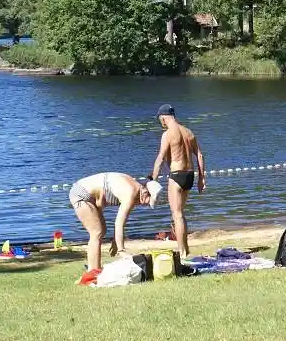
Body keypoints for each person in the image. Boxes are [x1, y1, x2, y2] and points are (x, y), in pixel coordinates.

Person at [69, 173, 160, 285]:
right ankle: (92, 275)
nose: (144, 204)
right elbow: (119, 223)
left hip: (90, 195)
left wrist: (115, 240)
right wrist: (121, 251)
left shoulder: (136, 189)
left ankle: (94, 272)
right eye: (147, 200)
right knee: (96, 232)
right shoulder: (131, 193)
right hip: (81, 193)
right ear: (145, 191)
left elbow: (121, 221)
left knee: (101, 230)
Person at [150, 104, 206, 258]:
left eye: (160, 119)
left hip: (176, 175)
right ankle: (185, 248)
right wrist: (201, 178)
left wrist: (152, 180)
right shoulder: (188, 132)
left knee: (177, 214)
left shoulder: (168, 134)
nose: (160, 122)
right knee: (181, 213)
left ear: (163, 117)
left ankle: (182, 251)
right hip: (189, 175)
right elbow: (200, 155)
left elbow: (160, 158)